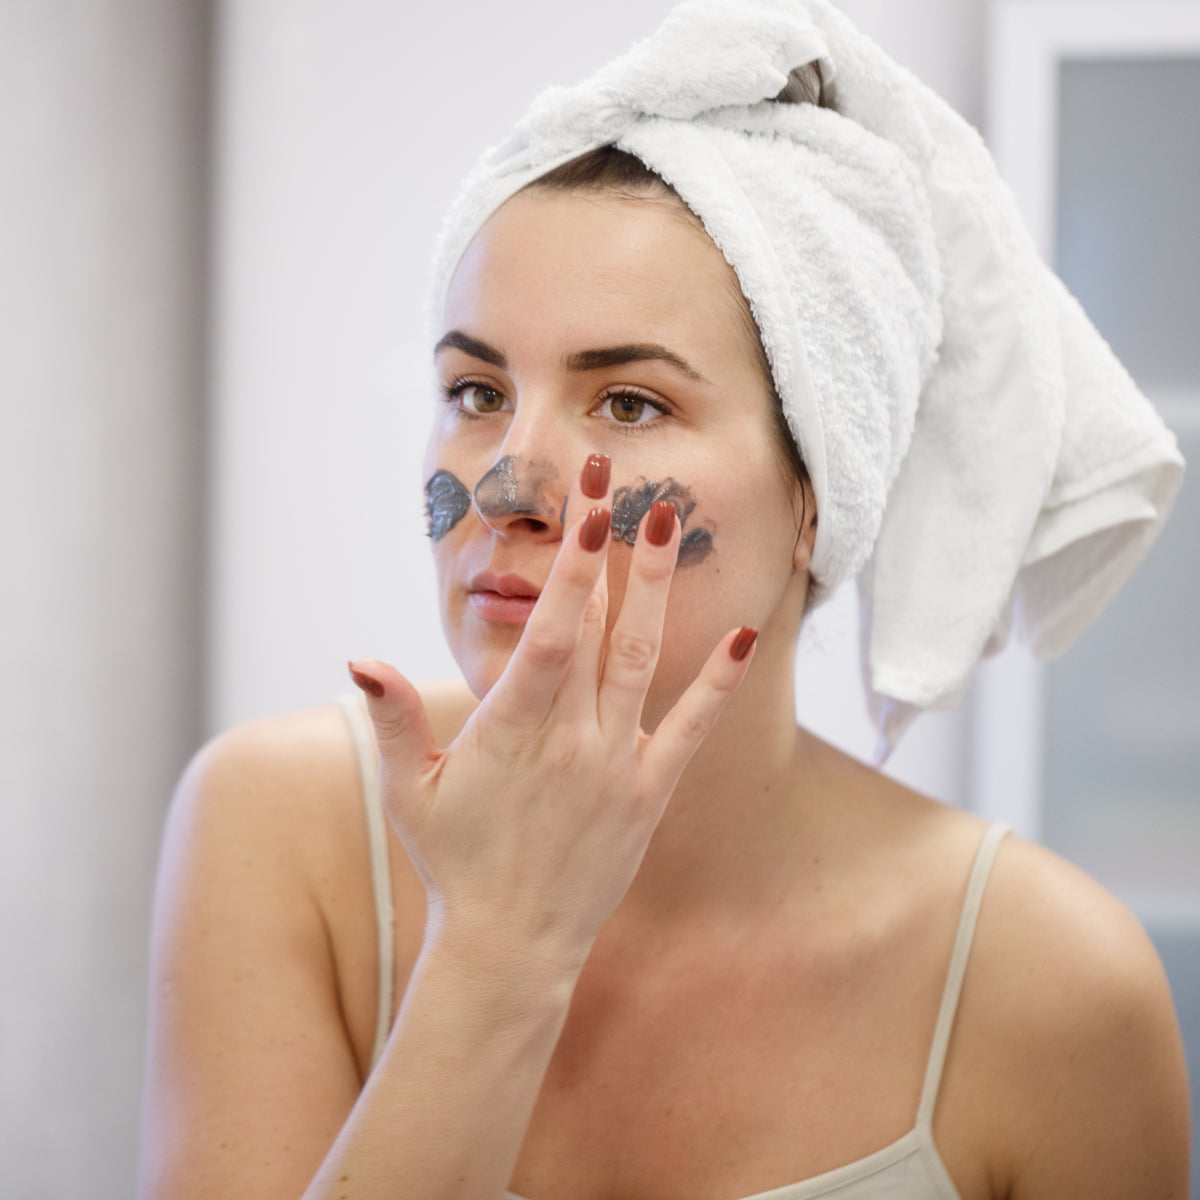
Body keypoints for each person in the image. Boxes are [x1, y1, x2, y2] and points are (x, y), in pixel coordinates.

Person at [138, 3, 1191, 1198]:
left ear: (817, 498)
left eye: (630, 403)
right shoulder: (279, 831)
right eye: (476, 388)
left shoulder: (1051, 985)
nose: (505, 484)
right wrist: (496, 950)